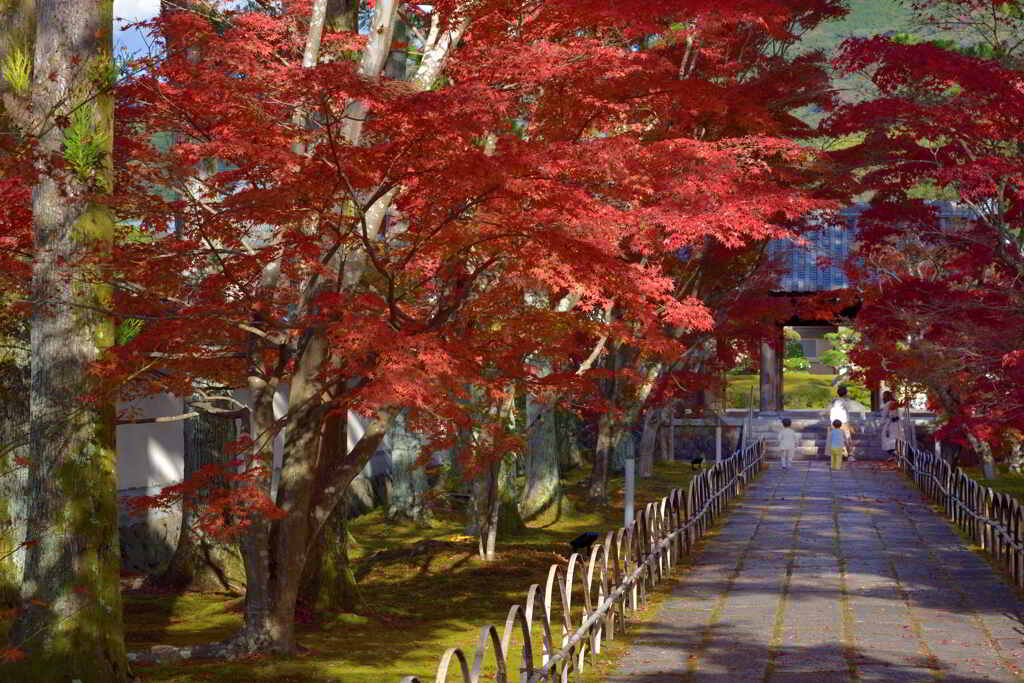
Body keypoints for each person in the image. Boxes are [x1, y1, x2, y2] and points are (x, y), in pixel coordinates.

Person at [829, 386, 856, 461]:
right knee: (847, 439)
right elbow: (849, 409)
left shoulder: (834, 401)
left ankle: (839, 455)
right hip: (843, 422)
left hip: (834, 422)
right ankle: (850, 455)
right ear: (846, 393)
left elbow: (831, 412)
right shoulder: (845, 402)